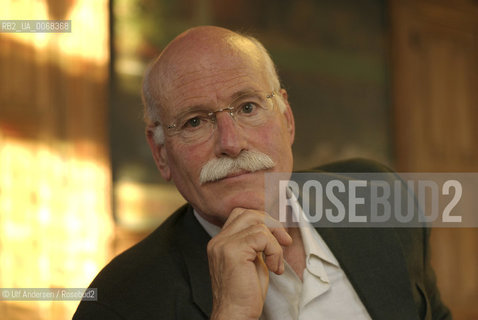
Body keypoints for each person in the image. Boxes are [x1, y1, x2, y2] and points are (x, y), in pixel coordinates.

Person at [73, 26, 451, 320]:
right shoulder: (119, 304)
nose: (232, 143)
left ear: (286, 118)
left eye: (248, 107)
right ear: (161, 154)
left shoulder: (376, 197)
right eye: (194, 122)